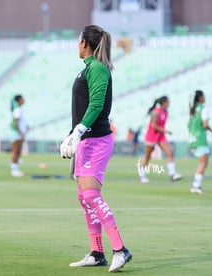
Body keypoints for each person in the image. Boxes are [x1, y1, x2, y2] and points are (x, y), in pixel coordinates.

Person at [59, 25, 132, 273]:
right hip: (86, 141)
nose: (76, 45)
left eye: (78, 40)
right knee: (83, 197)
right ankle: (97, 252)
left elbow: (98, 103)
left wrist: (79, 130)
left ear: (85, 43)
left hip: (97, 139)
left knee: (91, 195)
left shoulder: (98, 68)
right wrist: (74, 134)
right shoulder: (88, 69)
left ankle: (120, 250)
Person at [138, 96, 182, 183]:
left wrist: (163, 131)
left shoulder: (166, 112)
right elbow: (153, 125)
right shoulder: (156, 112)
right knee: (148, 156)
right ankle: (142, 176)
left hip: (160, 136)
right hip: (152, 135)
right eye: (168, 101)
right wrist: (165, 130)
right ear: (164, 102)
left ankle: (172, 175)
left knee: (170, 152)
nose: (169, 103)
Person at [188, 90, 212, 194]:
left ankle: (196, 185)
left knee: (203, 162)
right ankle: (196, 186)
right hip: (200, 139)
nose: (205, 98)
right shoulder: (204, 109)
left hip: (192, 138)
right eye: (203, 96)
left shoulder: (193, 110)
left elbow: (188, 125)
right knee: (203, 162)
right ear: (200, 97)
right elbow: (205, 124)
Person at [10, 95, 27, 177]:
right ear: (19, 100)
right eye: (22, 98)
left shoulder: (19, 109)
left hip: (18, 133)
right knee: (15, 151)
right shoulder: (17, 110)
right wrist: (21, 134)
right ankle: (14, 170)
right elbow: (16, 123)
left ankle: (16, 169)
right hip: (16, 134)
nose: (24, 100)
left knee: (18, 151)